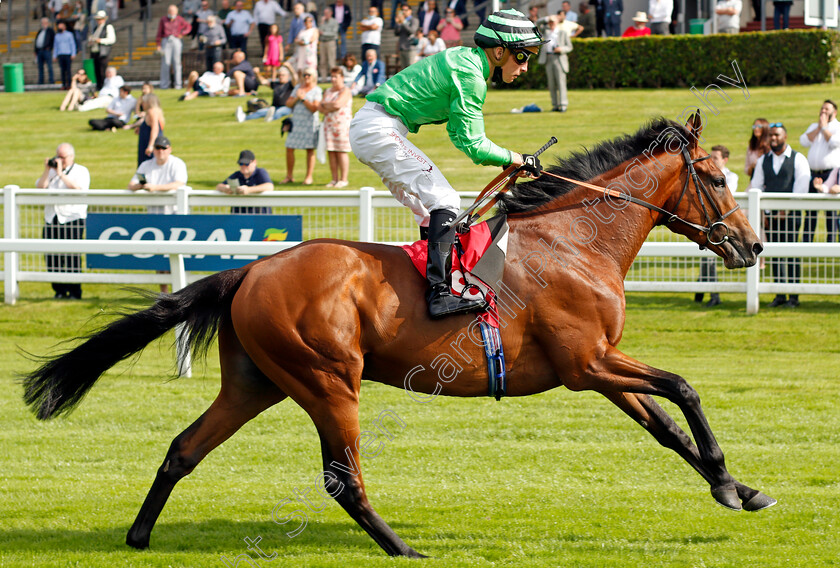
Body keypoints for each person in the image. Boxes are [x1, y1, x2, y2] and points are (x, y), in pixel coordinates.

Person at [349, 9, 544, 318]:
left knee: (431, 212)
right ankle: (440, 294)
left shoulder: (466, 62)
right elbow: (475, 146)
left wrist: (512, 160)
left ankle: (430, 289)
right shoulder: (469, 74)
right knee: (446, 201)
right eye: (522, 57)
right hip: (379, 128)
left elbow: (457, 133)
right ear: (499, 51)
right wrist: (517, 159)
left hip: (374, 127)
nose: (525, 67)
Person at [750, 123, 810, 308]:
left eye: (777, 135)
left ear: (785, 137)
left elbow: (802, 187)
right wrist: (763, 212)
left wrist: (787, 209)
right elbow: (756, 186)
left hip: (791, 215)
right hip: (770, 216)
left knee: (792, 254)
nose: (773, 138)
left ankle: (794, 296)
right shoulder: (763, 160)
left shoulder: (798, 158)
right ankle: (780, 295)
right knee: (774, 254)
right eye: (771, 136)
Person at [129, 135, 188, 293]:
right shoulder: (146, 165)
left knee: (174, 255)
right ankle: (163, 293)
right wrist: (140, 187)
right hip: (154, 216)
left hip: (174, 216)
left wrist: (155, 188)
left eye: (163, 148)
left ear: (169, 149)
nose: (160, 151)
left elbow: (179, 183)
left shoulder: (177, 164)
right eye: (157, 148)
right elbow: (131, 184)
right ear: (153, 149)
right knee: (158, 254)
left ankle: (178, 291)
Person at [35, 142, 90, 300]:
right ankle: (59, 290)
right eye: (57, 156)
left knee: (72, 256)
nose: (59, 160)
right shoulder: (51, 172)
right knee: (52, 256)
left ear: (71, 157)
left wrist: (61, 174)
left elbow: (78, 189)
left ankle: (74, 291)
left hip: (72, 218)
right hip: (52, 218)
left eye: (62, 157)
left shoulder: (81, 171)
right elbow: (39, 187)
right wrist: (47, 170)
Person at [695, 145, 738, 307]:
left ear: (725, 160)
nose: (712, 161)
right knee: (706, 257)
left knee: (711, 258)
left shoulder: (731, 177)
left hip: (723, 225)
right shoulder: (705, 176)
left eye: (716, 158)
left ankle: (712, 294)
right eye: (710, 157)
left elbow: (723, 195)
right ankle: (703, 289)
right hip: (709, 222)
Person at [799, 100, 840, 243]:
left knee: (830, 211)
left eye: (826, 110)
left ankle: (831, 242)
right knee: (810, 208)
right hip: (813, 173)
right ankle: (807, 240)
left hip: (830, 174)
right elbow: (803, 140)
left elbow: (835, 142)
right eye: (822, 109)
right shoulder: (813, 127)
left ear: (834, 112)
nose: (823, 112)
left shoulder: (837, 127)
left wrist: (824, 129)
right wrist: (818, 128)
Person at [283, 67, 322, 185]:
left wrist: (304, 99)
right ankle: (289, 175)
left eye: (309, 75)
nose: (306, 77)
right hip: (296, 122)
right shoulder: (297, 88)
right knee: (289, 147)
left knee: (309, 149)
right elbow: (288, 104)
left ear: (314, 76)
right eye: (304, 75)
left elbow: (314, 108)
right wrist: (297, 98)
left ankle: (308, 177)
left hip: (309, 123)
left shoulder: (317, 90)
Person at [319, 67, 353, 187]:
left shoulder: (345, 90)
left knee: (341, 151)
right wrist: (329, 105)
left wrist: (326, 105)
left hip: (341, 126)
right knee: (331, 151)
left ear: (342, 78)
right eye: (332, 77)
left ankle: (343, 179)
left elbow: (338, 104)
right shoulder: (328, 91)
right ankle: (334, 179)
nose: (333, 79)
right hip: (329, 125)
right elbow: (320, 107)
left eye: (336, 77)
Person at [540, 15, 572, 112]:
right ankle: (555, 105)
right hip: (548, 58)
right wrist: (546, 18)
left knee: (561, 83)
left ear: (557, 22)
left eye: (553, 22)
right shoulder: (546, 31)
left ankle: (563, 105)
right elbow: (538, 23)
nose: (551, 24)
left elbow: (569, 47)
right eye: (549, 22)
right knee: (551, 83)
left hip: (558, 58)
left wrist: (561, 49)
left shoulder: (562, 33)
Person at [157, 4, 192, 89]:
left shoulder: (179, 19)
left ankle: (178, 85)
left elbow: (188, 27)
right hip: (166, 40)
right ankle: (164, 85)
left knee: (177, 63)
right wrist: (158, 44)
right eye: (171, 11)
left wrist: (182, 33)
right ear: (168, 12)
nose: (172, 13)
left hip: (176, 40)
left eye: (173, 11)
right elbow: (159, 32)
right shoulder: (163, 19)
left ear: (176, 12)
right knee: (165, 63)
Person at [88, 10, 116, 90]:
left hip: (103, 52)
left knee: (102, 71)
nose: (99, 21)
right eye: (98, 19)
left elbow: (112, 39)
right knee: (96, 71)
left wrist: (100, 40)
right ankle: (99, 86)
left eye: (100, 19)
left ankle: (104, 86)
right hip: (95, 52)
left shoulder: (108, 27)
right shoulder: (96, 28)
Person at [135, 93, 166, 166]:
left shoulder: (151, 111)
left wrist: (150, 145)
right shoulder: (156, 111)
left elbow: (155, 128)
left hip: (148, 143)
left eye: (143, 102)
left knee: (147, 165)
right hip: (151, 141)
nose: (142, 104)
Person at [53, 21, 77, 89]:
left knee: (68, 70)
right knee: (62, 71)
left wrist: (73, 53)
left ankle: (69, 84)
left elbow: (72, 44)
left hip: (68, 54)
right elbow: (55, 46)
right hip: (60, 54)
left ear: (64, 27)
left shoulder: (69, 34)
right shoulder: (57, 36)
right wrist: (54, 55)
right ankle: (63, 85)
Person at [394, 3, 419, 68]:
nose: (404, 12)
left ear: (410, 11)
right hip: (402, 48)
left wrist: (403, 22)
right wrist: (397, 23)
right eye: (402, 10)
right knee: (403, 69)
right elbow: (396, 33)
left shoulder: (414, 20)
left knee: (411, 68)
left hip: (410, 47)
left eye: (406, 10)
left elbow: (412, 31)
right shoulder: (401, 21)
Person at [34, 17, 56, 86]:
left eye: (45, 22)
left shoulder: (50, 31)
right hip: (39, 51)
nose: (43, 24)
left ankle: (51, 81)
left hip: (47, 51)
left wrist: (50, 48)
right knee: (40, 67)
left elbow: (53, 41)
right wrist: (35, 50)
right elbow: (36, 41)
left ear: (47, 23)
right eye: (42, 23)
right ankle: (41, 81)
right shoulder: (40, 31)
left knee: (49, 66)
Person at [319, 8, 339, 79]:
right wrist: (321, 22)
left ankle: (334, 77)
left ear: (331, 13)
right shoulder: (323, 21)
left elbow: (333, 33)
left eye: (327, 13)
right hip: (322, 42)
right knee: (322, 61)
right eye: (325, 13)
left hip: (330, 42)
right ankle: (323, 78)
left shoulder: (334, 22)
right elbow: (319, 31)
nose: (326, 15)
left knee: (331, 61)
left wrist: (324, 33)